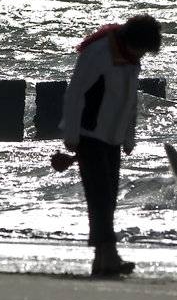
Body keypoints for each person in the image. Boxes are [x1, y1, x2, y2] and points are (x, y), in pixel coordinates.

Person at [62, 14, 162, 276]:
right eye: (141, 49)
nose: (142, 55)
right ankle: (110, 255)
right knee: (101, 198)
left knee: (108, 199)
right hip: (89, 134)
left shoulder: (129, 57)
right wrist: (71, 133)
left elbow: (129, 100)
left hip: (113, 138)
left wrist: (129, 136)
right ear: (131, 40)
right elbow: (75, 93)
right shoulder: (98, 53)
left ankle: (102, 260)